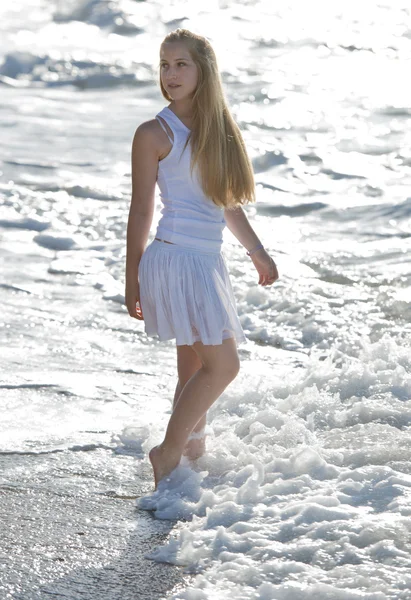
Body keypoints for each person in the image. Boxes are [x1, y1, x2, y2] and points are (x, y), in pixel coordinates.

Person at [125, 29, 278, 490]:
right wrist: (131, 278)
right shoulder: (154, 132)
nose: (170, 75)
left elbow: (227, 203)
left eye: (180, 65)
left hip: (206, 262)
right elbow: (140, 209)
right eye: (165, 65)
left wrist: (257, 251)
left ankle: (188, 465)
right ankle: (167, 453)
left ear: (203, 70)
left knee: (193, 372)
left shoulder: (219, 130)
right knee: (224, 365)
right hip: (174, 260)